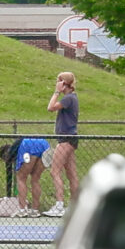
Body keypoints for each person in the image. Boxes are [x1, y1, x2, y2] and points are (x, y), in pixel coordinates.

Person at [46, 71, 80, 217]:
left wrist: (56, 92)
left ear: (63, 83)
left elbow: (50, 107)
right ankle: (75, 205)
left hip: (66, 139)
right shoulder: (71, 98)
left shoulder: (68, 98)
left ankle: (59, 205)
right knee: (71, 173)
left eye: (58, 81)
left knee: (55, 171)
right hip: (69, 138)